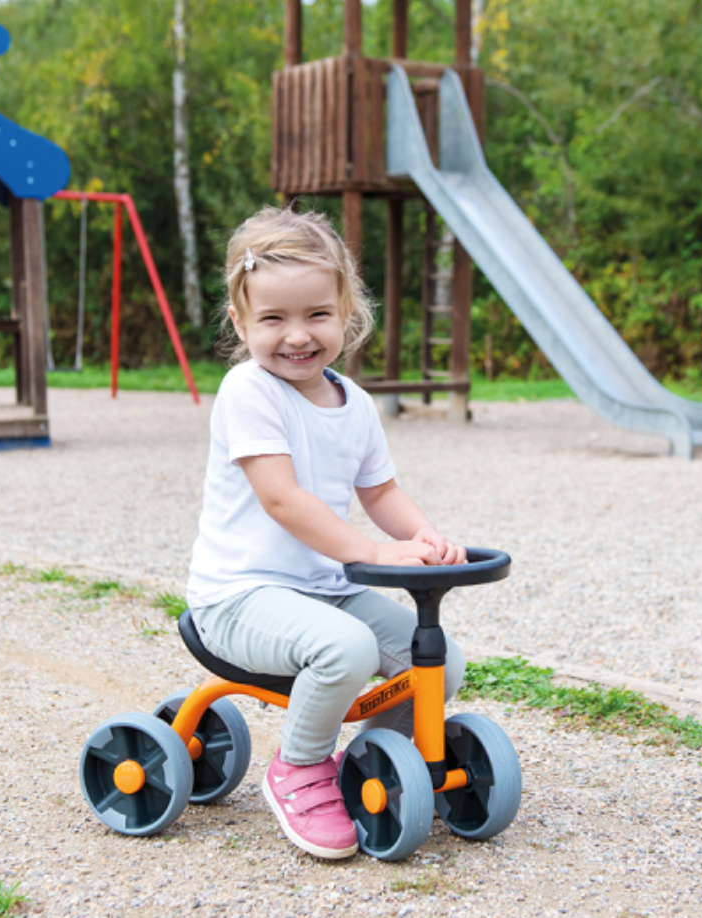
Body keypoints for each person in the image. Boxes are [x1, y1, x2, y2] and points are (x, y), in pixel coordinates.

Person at [186, 207, 467, 860]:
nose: (297, 335)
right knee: (346, 648)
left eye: (316, 314)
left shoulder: (356, 404)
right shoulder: (249, 391)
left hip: (322, 590)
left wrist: (425, 539)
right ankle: (301, 764)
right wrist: (370, 552)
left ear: (345, 311)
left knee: (439, 661)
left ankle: (369, 758)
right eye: (273, 319)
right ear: (241, 323)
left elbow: (381, 492)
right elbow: (282, 498)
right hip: (239, 596)